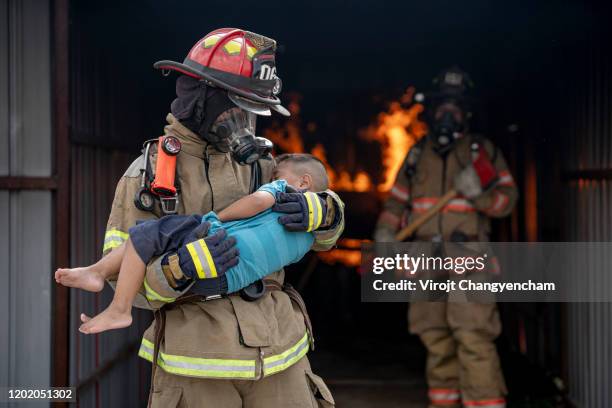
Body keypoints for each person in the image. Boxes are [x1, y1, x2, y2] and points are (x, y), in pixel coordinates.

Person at [101, 29, 343, 407]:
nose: (246, 120)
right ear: (201, 96)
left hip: (282, 354)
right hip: (199, 366)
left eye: (253, 108)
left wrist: (324, 212)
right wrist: (181, 269)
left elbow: (324, 240)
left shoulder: (265, 164)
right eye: (238, 105)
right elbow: (122, 284)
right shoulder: (150, 174)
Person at [55, 154, 329, 335]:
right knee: (153, 235)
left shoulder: (283, 190)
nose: (272, 179)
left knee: (151, 234)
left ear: (304, 182)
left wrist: (215, 218)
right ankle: (98, 274)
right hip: (226, 281)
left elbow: (257, 202)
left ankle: (114, 302)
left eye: (276, 176)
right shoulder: (309, 234)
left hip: (216, 241)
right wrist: (333, 212)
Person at [374, 67, 518, 408]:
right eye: (443, 106)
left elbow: (508, 201)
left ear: (466, 111)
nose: (448, 113)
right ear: (432, 110)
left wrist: (478, 196)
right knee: (436, 340)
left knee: (474, 341)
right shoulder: (416, 155)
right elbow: (396, 202)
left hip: (469, 259)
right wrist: (385, 233)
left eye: (456, 106)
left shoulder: (482, 153)